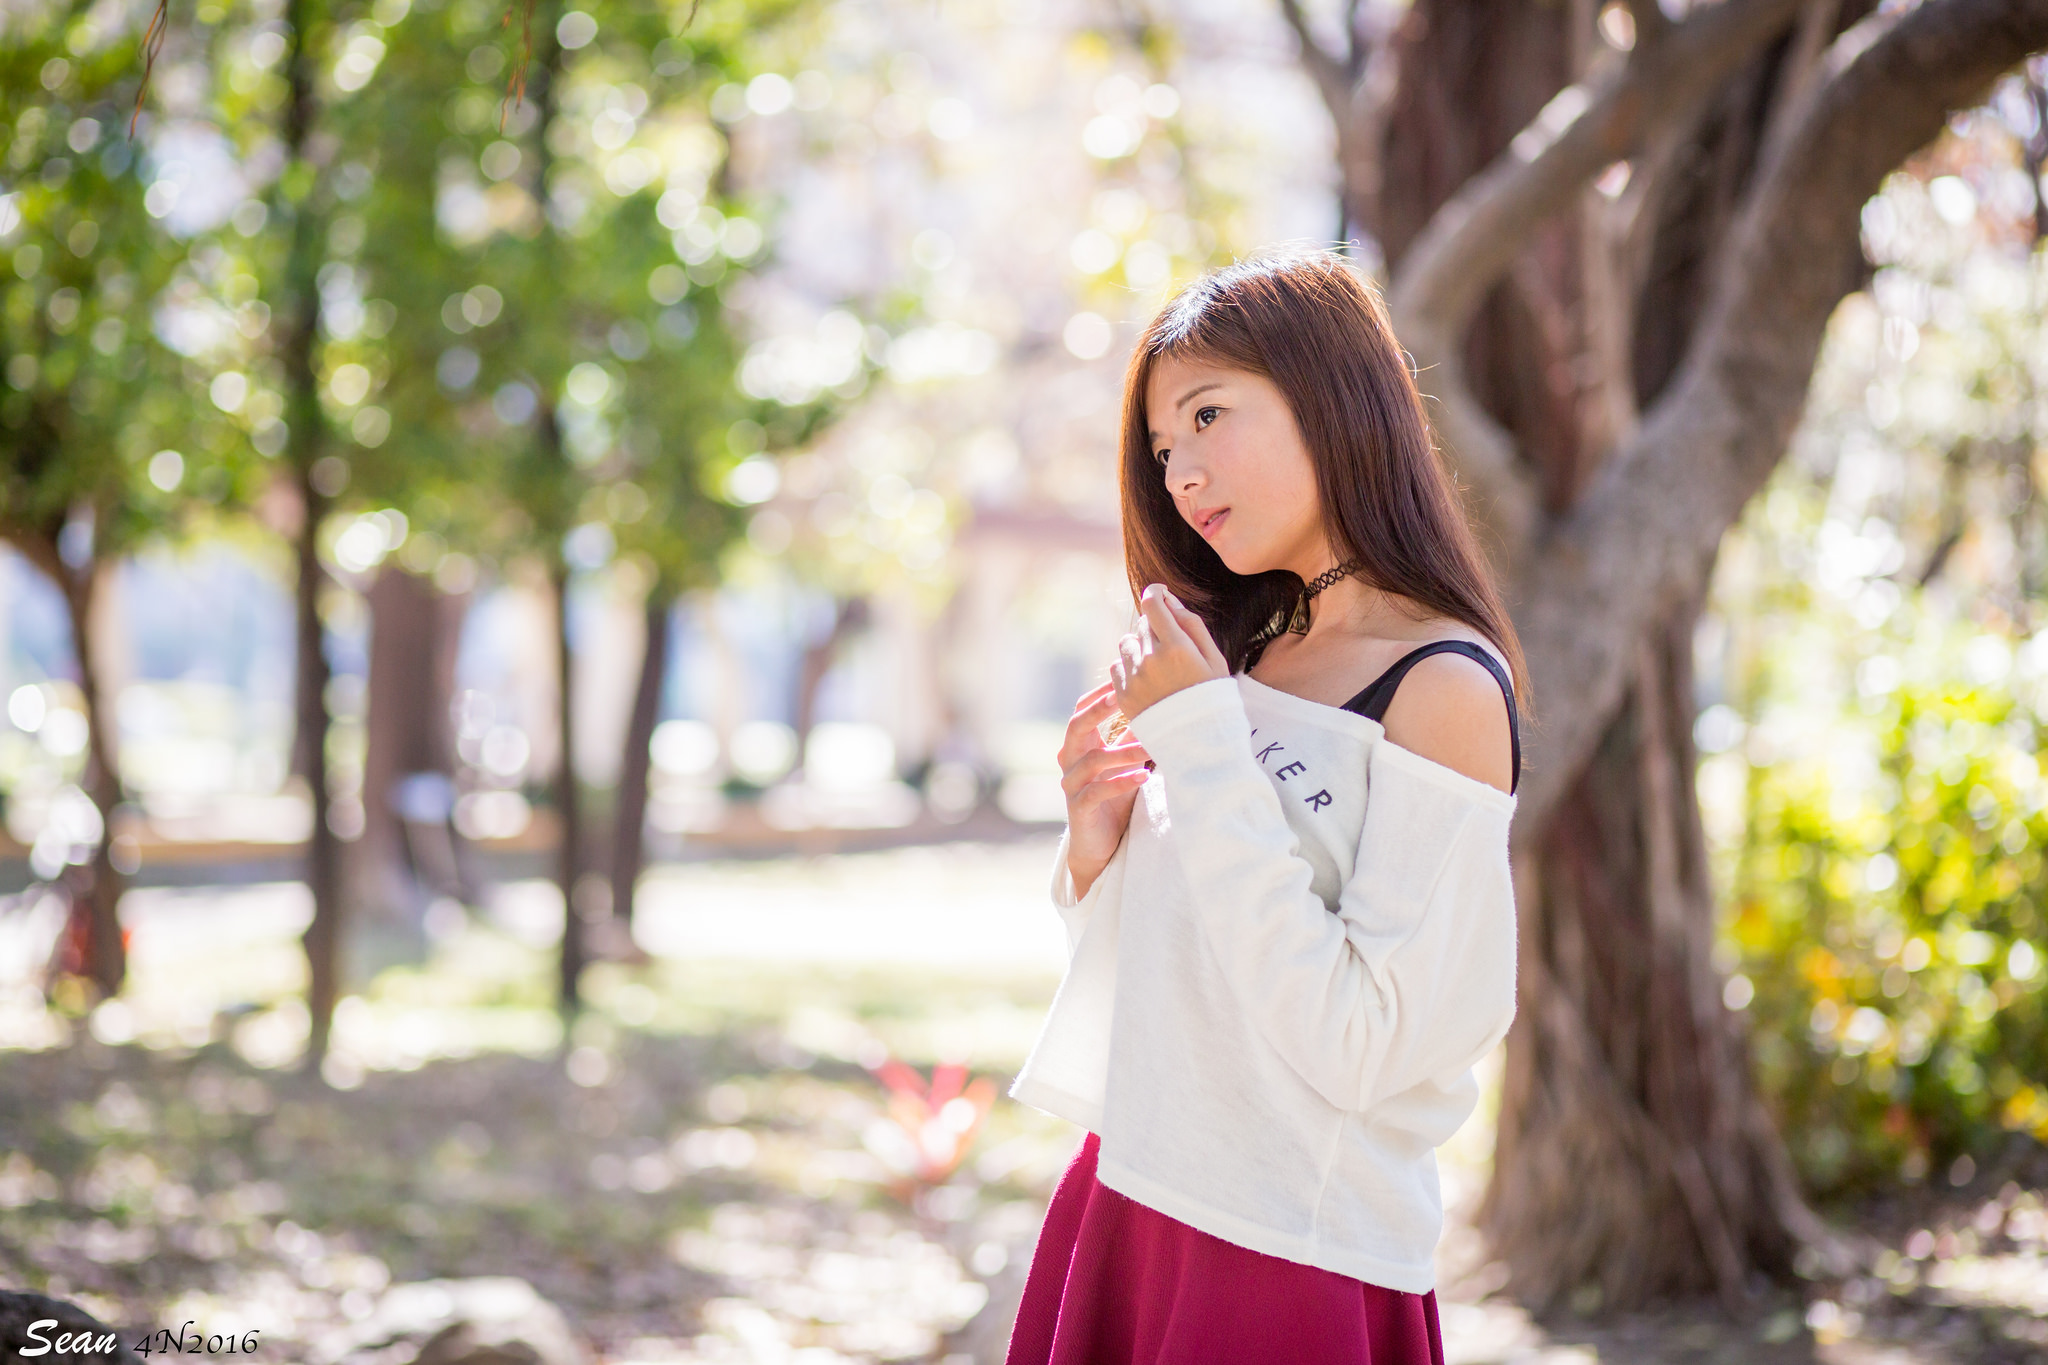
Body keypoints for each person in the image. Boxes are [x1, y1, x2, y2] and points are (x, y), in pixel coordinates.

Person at [1005, 249, 1528, 1365]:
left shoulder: (1439, 687)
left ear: (1333, 398)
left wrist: (1198, 747)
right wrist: (1096, 857)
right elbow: (1187, 984)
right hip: (1130, 1194)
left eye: (1207, 416)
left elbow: (1353, 1044)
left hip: (1281, 1251)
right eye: (1160, 447)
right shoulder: (1231, 658)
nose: (1181, 475)